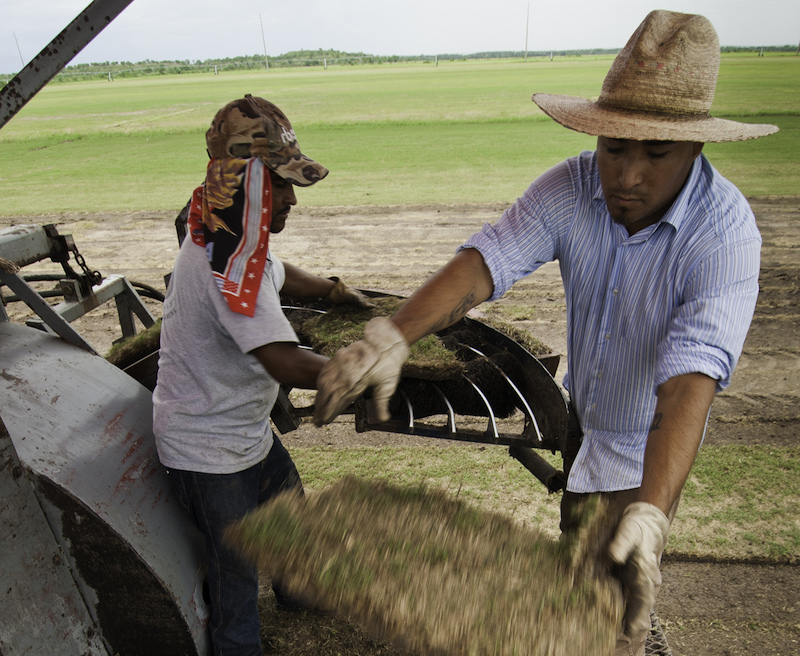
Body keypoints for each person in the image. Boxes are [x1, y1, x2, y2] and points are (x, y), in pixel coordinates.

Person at [311, 10, 778, 656]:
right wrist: (391, 336)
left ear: (697, 147)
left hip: (647, 453)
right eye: (613, 146)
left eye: (656, 153)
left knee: (608, 628)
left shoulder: (724, 236)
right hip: (586, 428)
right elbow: (485, 263)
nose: (626, 175)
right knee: (580, 581)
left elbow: (688, 381)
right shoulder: (573, 188)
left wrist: (649, 513)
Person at [152, 95, 373, 656]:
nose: (293, 198)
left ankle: (300, 593)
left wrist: (331, 289)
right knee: (236, 579)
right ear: (247, 183)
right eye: (282, 184)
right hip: (206, 450)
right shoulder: (225, 269)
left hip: (241, 432)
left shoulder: (223, 231)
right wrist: (361, 369)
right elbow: (284, 362)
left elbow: (277, 271)